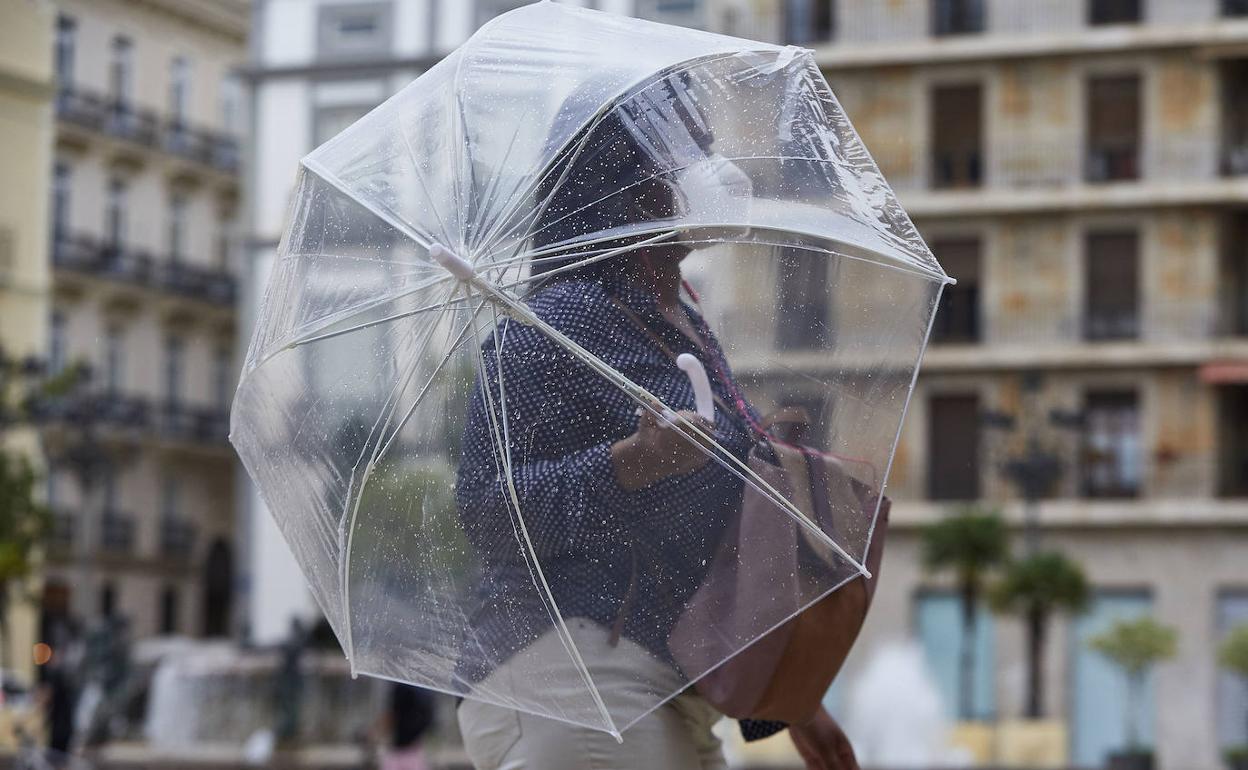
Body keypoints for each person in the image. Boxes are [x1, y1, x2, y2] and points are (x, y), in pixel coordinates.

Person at [452, 77, 860, 770]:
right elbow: (488, 508)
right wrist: (628, 463)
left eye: (705, 144)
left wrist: (794, 700)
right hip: (577, 676)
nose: (712, 167)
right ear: (626, 183)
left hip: (665, 682)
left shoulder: (681, 321)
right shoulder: (562, 319)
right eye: (685, 150)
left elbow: (713, 522)